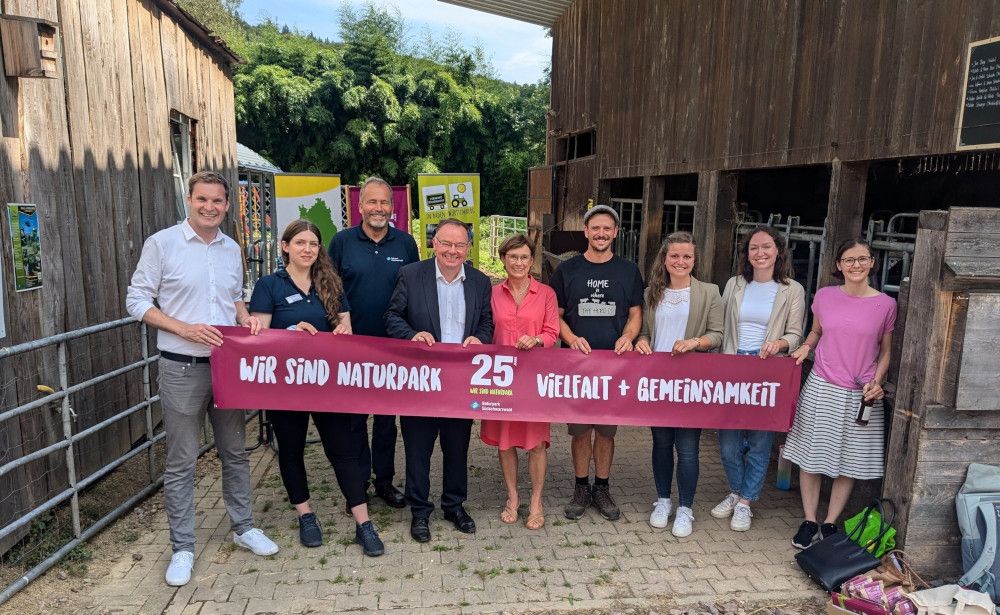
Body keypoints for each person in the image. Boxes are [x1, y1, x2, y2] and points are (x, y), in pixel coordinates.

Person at [125, 171, 279, 587]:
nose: (210, 207)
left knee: (235, 451)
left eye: (218, 201)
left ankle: (244, 526)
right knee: (182, 460)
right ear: (189, 201)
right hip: (181, 366)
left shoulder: (231, 248)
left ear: (227, 205)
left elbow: (234, 296)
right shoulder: (162, 244)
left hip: (227, 367)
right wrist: (184, 328)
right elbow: (136, 300)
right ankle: (183, 547)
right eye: (202, 200)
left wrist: (244, 316)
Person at [249, 219, 384, 557]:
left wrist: (334, 333)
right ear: (285, 246)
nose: (307, 249)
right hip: (286, 387)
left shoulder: (330, 284)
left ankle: (363, 522)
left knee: (343, 450)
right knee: (292, 450)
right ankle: (306, 515)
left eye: (313, 244)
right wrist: (292, 330)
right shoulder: (269, 285)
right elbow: (259, 338)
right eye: (300, 243)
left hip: (327, 384)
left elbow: (346, 328)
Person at [384, 218, 494, 543]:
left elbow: (487, 322)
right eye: (446, 243)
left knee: (456, 448)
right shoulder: (411, 275)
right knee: (418, 449)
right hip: (421, 381)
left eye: (460, 245)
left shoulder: (479, 281)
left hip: (460, 383)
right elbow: (391, 316)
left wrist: (479, 339)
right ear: (434, 243)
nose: (452, 250)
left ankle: (454, 505)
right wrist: (411, 334)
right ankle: (420, 511)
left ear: (468, 248)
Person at [783, 238, 895, 549]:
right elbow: (817, 331)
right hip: (822, 383)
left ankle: (830, 522)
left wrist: (878, 380)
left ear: (872, 262)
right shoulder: (825, 296)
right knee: (811, 456)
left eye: (862, 259)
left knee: (850, 460)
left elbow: (885, 350)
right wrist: (806, 347)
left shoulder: (885, 304)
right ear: (838, 265)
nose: (856, 265)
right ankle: (809, 520)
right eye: (849, 259)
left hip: (862, 391)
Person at [549, 204, 644, 522]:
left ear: (615, 233)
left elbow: (635, 313)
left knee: (605, 432)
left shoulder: (628, 271)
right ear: (586, 232)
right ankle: (580, 487)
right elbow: (556, 315)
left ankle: (601, 487)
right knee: (579, 431)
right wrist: (571, 337)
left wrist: (629, 337)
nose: (601, 233)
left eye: (607, 228)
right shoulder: (567, 270)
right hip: (576, 365)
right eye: (596, 228)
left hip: (613, 367)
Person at [329, 176, 418, 509]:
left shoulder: (405, 244)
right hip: (353, 347)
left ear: (391, 207)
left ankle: (384, 481)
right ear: (360, 205)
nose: (378, 208)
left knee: (386, 421)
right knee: (354, 419)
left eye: (384, 203)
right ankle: (359, 482)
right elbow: (329, 287)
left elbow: (416, 290)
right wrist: (340, 319)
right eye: (372, 202)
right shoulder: (341, 242)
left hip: (394, 347)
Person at [711, 227, 805, 532]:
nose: (760, 253)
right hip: (733, 365)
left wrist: (779, 345)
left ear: (778, 251)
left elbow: (795, 334)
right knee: (727, 443)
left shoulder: (793, 290)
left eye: (766, 247)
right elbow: (721, 325)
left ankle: (746, 502)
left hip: (768, 370)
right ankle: (737, 491)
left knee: (760, 441)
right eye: (754, 248)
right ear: (747, 253)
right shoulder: (734, 285)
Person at [635, 232, 723, 537]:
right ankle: (663, 501)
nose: (680, 261)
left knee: (687, 449)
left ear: (694, 260)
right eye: (674, 256)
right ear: (665, 258)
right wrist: (642, 342)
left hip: (690, 382)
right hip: (659, 381)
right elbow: (643, 332)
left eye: (687, 256)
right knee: (661, 444)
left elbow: (718, 334)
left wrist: (695, 342)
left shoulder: (709, 293)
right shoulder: (651, 293)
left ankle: (686, 509)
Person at [480, 234, 559, 530]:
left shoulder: (546, 294)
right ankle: (512, 497)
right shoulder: (490, 293)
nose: (518, 262)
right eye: (512, 257)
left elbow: (552, 332)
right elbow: (484, 327)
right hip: (499, 378)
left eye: (524, 257)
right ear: (502, 259)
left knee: (537, 443)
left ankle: (536, 501)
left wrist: (537, 338)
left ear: (531, 260)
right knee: (505, 443)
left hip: (534, 380)